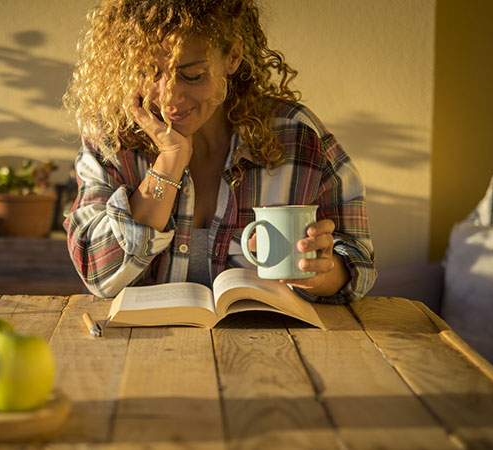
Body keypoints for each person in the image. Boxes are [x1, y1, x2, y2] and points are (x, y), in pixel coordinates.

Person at [62, 0, 375, 304]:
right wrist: (169, 162)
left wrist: (322, 275)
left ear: (233, 56)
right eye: (149, 72)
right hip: (143, 350)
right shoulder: (113, 139)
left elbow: (358, 263)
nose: (169, 98)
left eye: (192, 75)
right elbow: (99, 273)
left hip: (268, 348)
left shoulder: (296, 134)